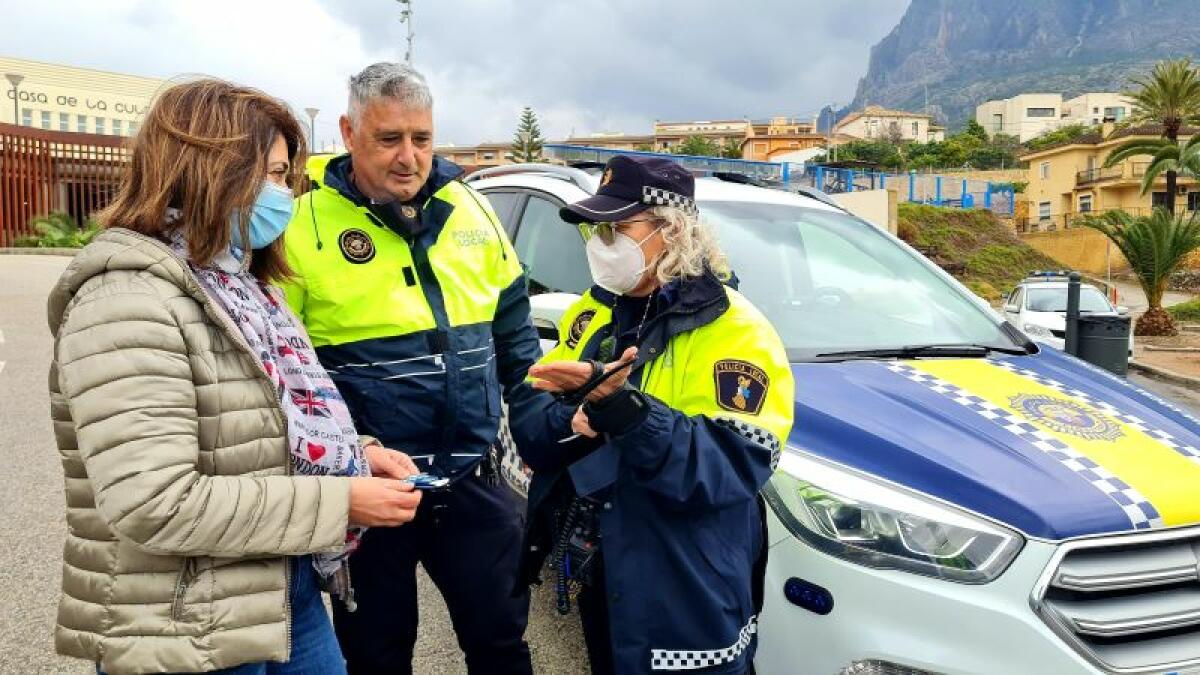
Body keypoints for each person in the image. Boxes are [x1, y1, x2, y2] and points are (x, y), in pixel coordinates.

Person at [46, 79, 424, 675]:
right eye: (272, 176)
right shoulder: (125, 301)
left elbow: (258, 420)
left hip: (278, 589)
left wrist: (355, 454)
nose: (286, 196)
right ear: (209, 172)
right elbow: (155, 501)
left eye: (286, 177)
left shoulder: (239, 285)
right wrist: (339, 498)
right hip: (183, 625)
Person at [280, 63, 540, 674]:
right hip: (370, 495)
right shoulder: (300, 228)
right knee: (375, 655)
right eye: (388, 138)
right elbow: (278, 376)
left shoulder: (471, 210)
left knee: (502, 646)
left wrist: (544, 425)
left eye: (421, 139)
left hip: (472, 483)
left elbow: (517, 340)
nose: (409, 157)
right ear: (348, 132)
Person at [512, 155, 795, 674]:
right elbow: (531, 417)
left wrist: (621, 409)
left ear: (671, 229)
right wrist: (572, 419)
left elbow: (728, 466)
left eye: (618, 228)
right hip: (607, 573)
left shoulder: (736, 332)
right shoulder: (593, 312)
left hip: (686, 585)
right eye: (597, 230)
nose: (602, 243)